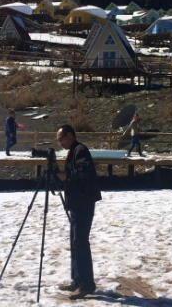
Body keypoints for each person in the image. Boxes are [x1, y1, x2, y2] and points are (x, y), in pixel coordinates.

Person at [55, 124, 102, 300]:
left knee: (81, 242)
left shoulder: (80, 149)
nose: (59, 143)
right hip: (77, 202)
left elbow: (84, 171)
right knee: (75, 242)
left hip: (84, 202)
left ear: (69, 135)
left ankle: (86, 285)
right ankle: (77, 280)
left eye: (60, 139)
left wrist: (66, 174)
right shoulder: (74, 151)